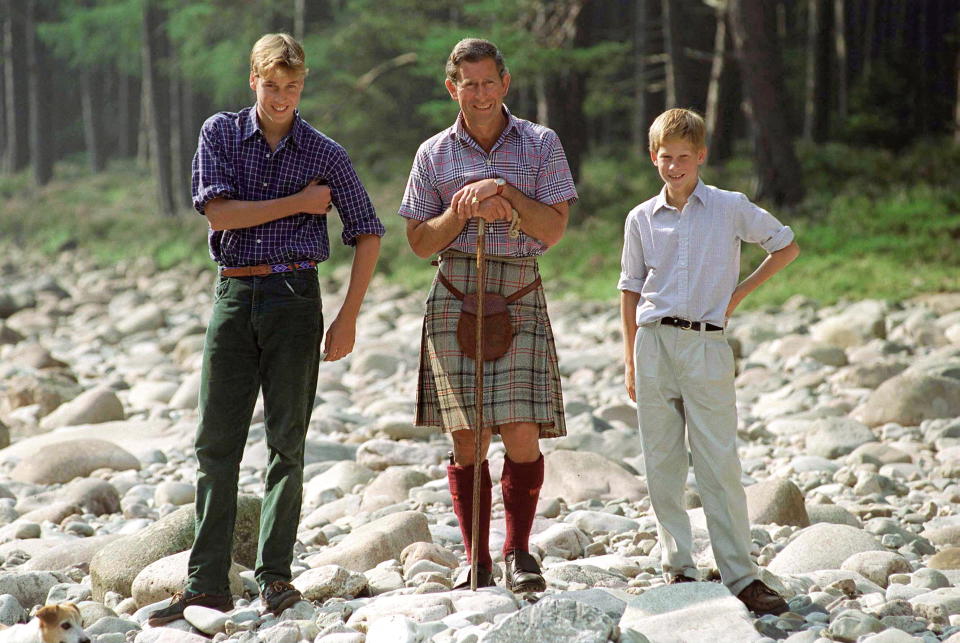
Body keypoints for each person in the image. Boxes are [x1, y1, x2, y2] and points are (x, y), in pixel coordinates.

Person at [149, 33, 384, 626]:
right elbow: (219, 212)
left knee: (287, 445)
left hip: (296, 298)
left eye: (292, 86)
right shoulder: (220, 134)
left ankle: (275, 579)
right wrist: (300, 202)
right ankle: (206, 586)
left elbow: (369, 230)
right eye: (271, 84)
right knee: (216, 446)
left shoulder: (324, 151)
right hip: (234, 292)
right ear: (253, 79)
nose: (281, 97)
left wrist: (348, 316)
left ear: (303, 85)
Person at [399, 38, 577, 592]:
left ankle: (518, 553)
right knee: (467, 437)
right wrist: (464, 208)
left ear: (505, 83)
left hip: (519, 289)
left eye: (487, 82)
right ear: (452, 88)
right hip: (455, 290)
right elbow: (419, 242)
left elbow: (551, 229)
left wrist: (504, 192)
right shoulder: (433, 154)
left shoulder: (542, 144)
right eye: (467, 84)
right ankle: (475, 557)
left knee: (521, 430)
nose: (478, 94)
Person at [619, 108, 799, 615]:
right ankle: (677, 568)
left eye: (683, 157)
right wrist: (630, 359)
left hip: (706, 344)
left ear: (701, 156)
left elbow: (785, 246)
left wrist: (736, 297)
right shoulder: (640, 218)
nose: (673, 167)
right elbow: (630, 289)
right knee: (662, 462)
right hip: (652, 344)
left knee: (718, 461)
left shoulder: (728, 207)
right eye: (664, 157)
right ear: (653, 157)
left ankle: (742, 575)